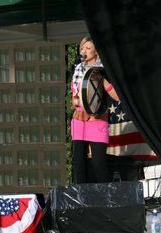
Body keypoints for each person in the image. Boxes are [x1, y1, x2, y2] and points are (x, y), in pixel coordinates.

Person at [70, 37, 119, 184]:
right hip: (79, 118)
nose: (84, 51)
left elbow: (116, 96)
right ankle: (82, 199)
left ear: (96, 51)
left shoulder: (104, 69)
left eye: (88, 49)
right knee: (78, 162)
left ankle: (106, 198)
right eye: (82, 49)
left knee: (99, 163)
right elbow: (74, 99)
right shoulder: (78, 68)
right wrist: (77, 101)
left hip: (98, 119)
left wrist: (102, 80)